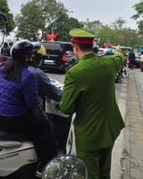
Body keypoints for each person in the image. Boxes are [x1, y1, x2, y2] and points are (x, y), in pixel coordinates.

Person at [59, 28, 125, 179]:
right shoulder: (109, 63)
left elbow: (66, 108)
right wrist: (118, 51)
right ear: (92, 46)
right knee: (104, 170)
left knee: (89, 173)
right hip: (110, 128)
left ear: (75, 47)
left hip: (89, 133)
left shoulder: (75, 72)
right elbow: (119, 57)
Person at [0, 40, 57, 177]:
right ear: (27, 57)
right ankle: (46, 165)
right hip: (12, 122)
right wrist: (38, 99)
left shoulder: (1, 68)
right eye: (30, 55)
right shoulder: (27, 76)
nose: (32, 57)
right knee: (45, 127)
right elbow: (31, 103)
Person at [27, 42, 71, 153]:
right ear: (35, 58)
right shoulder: (37, 73)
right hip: (27, 116)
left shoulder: (8, 68)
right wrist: (69, 94)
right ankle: (52, 157)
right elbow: (55, 95)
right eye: (40, 58)